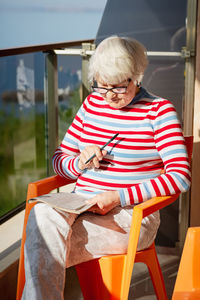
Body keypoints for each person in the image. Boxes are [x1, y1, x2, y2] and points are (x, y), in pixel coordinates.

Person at [22, 36, 191, 300]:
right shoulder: (91, 105)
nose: (109, 95)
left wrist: (118, 197)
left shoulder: (159, 112)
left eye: (119, 87)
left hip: (131, 216)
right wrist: (79, 162)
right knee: (42, 215)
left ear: (136, 77)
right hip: (80, 204)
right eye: (102, 86)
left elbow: (180, 177)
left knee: (41, 244)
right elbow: (59, 159)